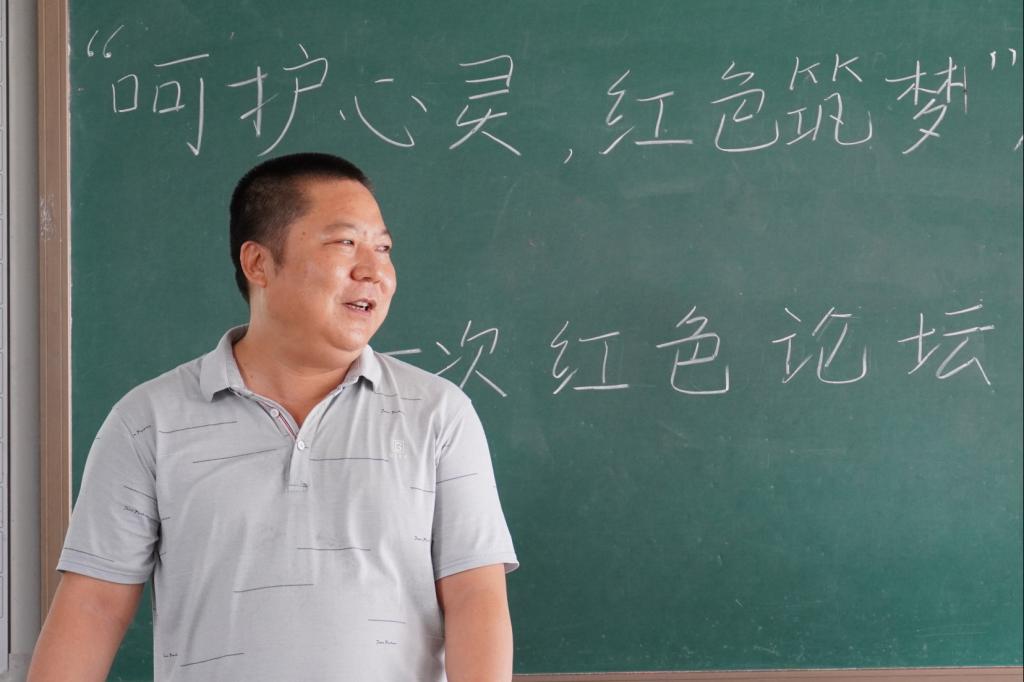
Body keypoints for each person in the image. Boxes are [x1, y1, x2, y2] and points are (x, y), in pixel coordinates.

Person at [28, 152, 519, 681]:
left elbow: (475, 598)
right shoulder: (148, 421)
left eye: (383, 248)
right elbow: (94, 607)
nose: (374, 271)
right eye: (345, 243)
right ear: (258, 264)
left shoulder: (439, 413)